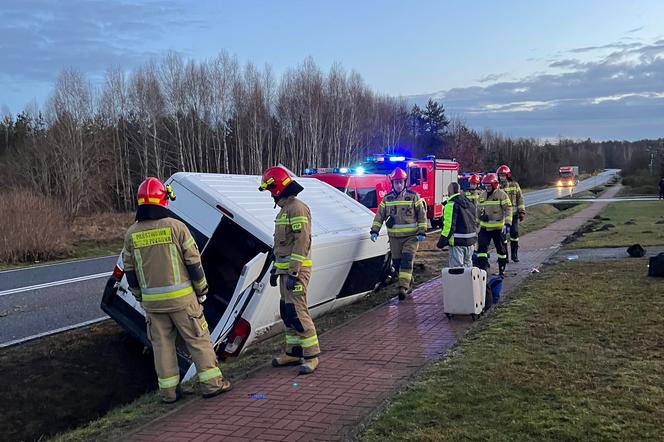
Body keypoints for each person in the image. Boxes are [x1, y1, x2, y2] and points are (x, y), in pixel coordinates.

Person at [123, 177, 231, 404]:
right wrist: (202, 289)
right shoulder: (176, 227)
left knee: (162, 347)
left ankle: (169, 393)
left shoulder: (131, 233)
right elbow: (194, 263)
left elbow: (130, 271)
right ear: (163, 200)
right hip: (183, 300)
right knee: (198, 340)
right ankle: (212, 384)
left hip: (153, 304)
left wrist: (139, 296)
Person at [259, 166, 320, 374]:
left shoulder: (297, 208)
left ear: (277, 188)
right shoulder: (285, 210)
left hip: (297, 272)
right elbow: (281, 246)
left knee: (298, 311)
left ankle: (311, 356)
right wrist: (276, 270)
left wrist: (294, 272)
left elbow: (302, 242)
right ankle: (293, 353)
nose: (270, 194)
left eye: (270, 190)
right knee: (287, 312)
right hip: (285, 272)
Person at [370, 167, 427, 300]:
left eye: (401, 182)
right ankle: (409, 282)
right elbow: (379, 216)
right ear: (392, 183)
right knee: (397, 264)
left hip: (411, 237)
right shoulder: (387, 199)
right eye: (396, 182)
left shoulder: (413, 196)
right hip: (394, 238)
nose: (399, 185)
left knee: (407, 261)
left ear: (405, 182)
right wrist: (374, 230)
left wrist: (422, 231)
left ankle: (403, 288)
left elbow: (422, 216)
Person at [476, 173, 512, 276]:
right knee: (481, 249)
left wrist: (508, 223)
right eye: (485, 186)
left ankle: (502, 269)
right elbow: (477, 210)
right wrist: (479, 219)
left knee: (501, 249)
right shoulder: (482, 196)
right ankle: (483, 270)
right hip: (484, 228)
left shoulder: (501, 194)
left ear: (494, 185)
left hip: (498, 228)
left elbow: (508, 208)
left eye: (489, 186)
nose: (486, 188)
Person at [437, 182, 477, 267]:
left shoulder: (451, 205)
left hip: (457, 243)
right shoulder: (469, 203)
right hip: (470, 243)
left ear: (449, 192)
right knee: (468, 270)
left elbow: (449, 226)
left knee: (457, 272)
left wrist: (442, 241)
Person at [497, 165, 526, 262]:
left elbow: (520, 199)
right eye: (500, 175)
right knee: (502, 236)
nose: (501, 177)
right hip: (501, 216)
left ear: (508, 175)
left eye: (503, 175)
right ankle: (505, 256)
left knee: (514, 233)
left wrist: (521, 211)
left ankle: (514, 254)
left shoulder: (515, 185)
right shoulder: (497, 186)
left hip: (513, 215)